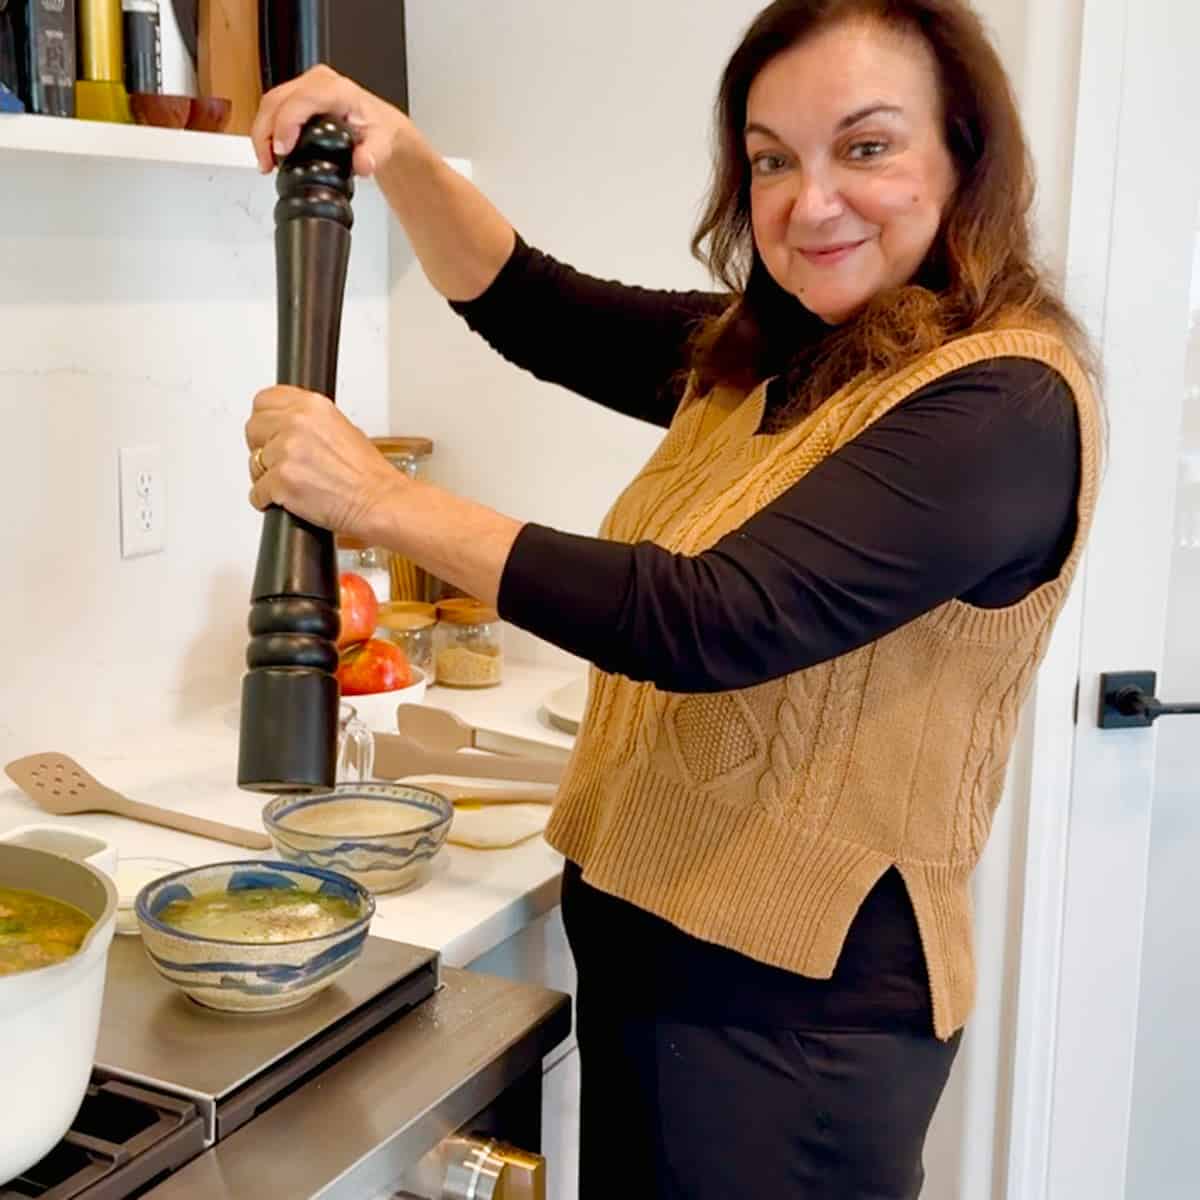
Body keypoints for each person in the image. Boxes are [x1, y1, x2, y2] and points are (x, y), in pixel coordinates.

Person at [245, 1, 1102, 1195]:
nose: (812, 201)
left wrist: (380, 501)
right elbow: (536, 307)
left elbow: (712, 617)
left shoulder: (1003, 405)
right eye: (771, 160)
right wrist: (405, 153)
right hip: (664, 969)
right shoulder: (781, 353)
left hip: (798, 1024)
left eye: (866, 147)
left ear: (966, 156)